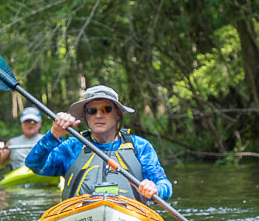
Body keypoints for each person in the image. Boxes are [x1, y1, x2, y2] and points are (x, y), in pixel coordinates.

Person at [25, 85, 172, 201]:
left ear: (117, 114)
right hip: (79, 217)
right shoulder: (72, 147)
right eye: (92, 111)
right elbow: (34, 164)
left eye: (106, 109)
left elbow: (165, 185)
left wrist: (156, 189)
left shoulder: (140, 146)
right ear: (85, 116)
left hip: (131, 217)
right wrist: (54, 134)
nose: (99, 115)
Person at [0, 106, 45, 171]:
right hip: (19, 176)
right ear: (21, 123)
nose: (30, 124)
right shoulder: (12, 143)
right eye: (26, 121)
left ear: (40, 123)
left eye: (33, 121)